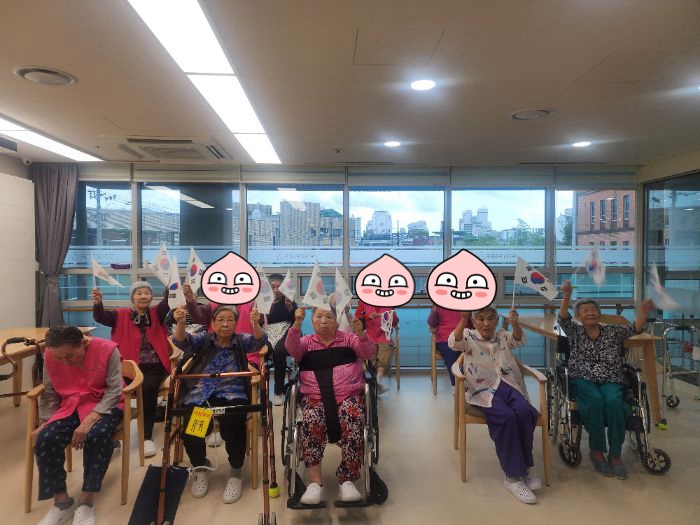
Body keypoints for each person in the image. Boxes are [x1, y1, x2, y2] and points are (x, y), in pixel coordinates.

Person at [558, 280, 654, 480]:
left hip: (611, 377)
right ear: (578, 317)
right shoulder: (575, 331)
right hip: (582, 377)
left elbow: (635, 329)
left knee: (614, 403)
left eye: (593, 310)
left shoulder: (613, 330)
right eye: (585, 311)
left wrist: (643, 312)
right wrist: (566, 295)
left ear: (599, 313)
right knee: (595, 401)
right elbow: (563, 318)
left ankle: (616, 455)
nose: (590, 313)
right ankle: (597, 451)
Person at [172, 304, 266, 503]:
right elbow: (181, 341)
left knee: (234, 424)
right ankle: (201, 466)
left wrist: (255, 323)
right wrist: (180, 323)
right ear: (213, 323)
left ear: (235, 323)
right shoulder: (204, 340)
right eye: (221, 320)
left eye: (230, 320)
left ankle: (236, 470)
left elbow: (260, 341)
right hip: (203, 394)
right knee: (193, 428)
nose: (225, 324)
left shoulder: (240, 341)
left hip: (232, 392)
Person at [448, 306, 542, 504]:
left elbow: (519, 340)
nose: (486, 324)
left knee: (525, 411)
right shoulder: (468, 335)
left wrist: (515, 324)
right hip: (482, 389)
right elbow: (454, 343)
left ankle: (526, 466)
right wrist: (463, 321)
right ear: (474, 321)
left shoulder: (503, 336)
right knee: (507, 418)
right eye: (481, 319)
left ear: (497, 320)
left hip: (509, 384)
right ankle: (513, 477)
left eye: (490, 319)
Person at [32, 326, 124, 525]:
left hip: (104, 405)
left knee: (97, 435)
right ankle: (62, 502)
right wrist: (45, 422)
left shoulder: (108, 349)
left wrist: (90, 420)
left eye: (70, 356)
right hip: (69, 405)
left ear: (83, 342)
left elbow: (115, 391)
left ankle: (86, 500)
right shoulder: (51, 354)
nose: (65, 362)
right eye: (59, 358)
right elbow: (50, 393)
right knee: (45, 438)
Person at [285, 306, 374, 505]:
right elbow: (292, 350)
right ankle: (315, 483)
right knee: (311, 419)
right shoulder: (306, 342)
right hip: (315, 396)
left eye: (329, 316)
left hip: (347, 395)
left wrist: (361, 335)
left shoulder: (349, 339)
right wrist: (297, 324)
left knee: (354, 417)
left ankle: (347, 480)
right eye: (319, 316)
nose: (324, 321)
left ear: (337, 320)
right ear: (312, 321)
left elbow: (367, 353)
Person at [93, 281, 173, 459]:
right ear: (132, 297)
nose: (143, 296)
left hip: (154, 366)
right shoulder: (120, 314)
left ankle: (146, 436)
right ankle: (111, 437)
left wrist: (170, 286)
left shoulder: (157, 313)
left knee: (148, 388)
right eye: (139, 293)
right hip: (127, 366)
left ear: (151, 296)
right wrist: (98, 303)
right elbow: (101, 317)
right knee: (110, 390)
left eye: (147, 293)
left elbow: (166, 303)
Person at [354, 299, 398, 394]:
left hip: (385, 336)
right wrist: (368, 316)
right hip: (369, 335)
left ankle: (378, 380)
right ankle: (373, 381)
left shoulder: (389, 301)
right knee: (371, 355)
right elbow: (357, 318)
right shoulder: (364, 302)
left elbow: (395, 322)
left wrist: (391, 314)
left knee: (386, 349)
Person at [266, 273, 297, 406]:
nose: (275, 290)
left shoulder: (288, 300)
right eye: (273, 286)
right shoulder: (263, 300)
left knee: (279, 351)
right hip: (267, 332)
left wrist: (290, 308)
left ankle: (278, 392)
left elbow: (295, 321)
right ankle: (258, 388)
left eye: (279, 287)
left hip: (286, 331)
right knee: (261, 352)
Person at [427, 305, 473, 389]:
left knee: (471, 353)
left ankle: (469, 385)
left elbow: (473, 324)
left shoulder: (467, 304)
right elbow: (431, 323)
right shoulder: (439, 305)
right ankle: (456, 387)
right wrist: (434, 309)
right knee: (451, 353)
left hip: (465, 336)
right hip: (445, 338)